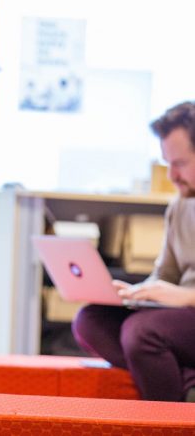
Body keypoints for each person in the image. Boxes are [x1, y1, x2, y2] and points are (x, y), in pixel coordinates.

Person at [72, 101, 195, 402]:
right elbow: (165, 275)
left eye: (179, 164)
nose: (171, 176)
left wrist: (188, 296)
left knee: (143, 333)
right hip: (182, 320)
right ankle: (188, 382)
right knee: (90, 320)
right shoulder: (179, 207)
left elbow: (178, 291)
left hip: (186, 312)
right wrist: (135, 293)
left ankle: (171, 425)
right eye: (167, 163)